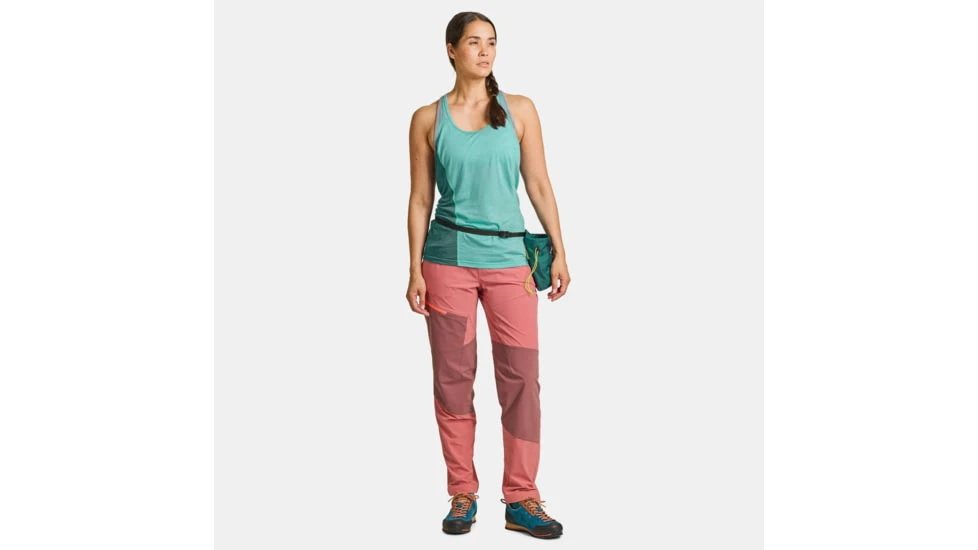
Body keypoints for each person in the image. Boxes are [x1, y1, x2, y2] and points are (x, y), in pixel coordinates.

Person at [405, 11, 571, 539]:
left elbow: (539, 184)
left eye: (492, 42)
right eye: (474, 42)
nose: (484, 51)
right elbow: (420, 198)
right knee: (453, 380)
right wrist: (413, 268)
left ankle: (522, 498)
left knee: (521, 380)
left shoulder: (519, 110)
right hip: (446, 261)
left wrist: (560, 251)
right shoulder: (427, 118)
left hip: (510, 263)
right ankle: (462, 493)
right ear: (451, 50)